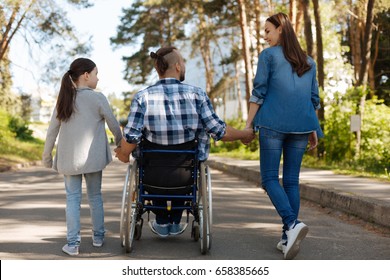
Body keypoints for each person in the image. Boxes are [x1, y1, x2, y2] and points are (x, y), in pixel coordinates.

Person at [115, 46, 255, 238]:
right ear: (178, 66)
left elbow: (131, 137)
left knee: (151, 172)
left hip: (152, 177)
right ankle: (173, 219)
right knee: (187, 175)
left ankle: (163, 220)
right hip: (185, 175)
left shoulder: (143, 97)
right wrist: (245, 134)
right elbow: (219, 130)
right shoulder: (197, 95)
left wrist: (123, 153)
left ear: (158, 70)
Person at [245, 13, 323, 260]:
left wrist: (248, 124)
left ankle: (292, 223)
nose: (265, 36)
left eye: (268, 30)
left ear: (281, 30)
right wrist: (313, 129)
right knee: (291, 181)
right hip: (302, 127)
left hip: (273, 125)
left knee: (269, 179)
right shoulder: (309, 61)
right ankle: (286, 238)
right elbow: (313, 100)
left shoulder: (268, 56)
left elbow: (259, 92)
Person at [42, 58, 122, 256]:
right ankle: (98, 237)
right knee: (95, 197)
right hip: (93, 160)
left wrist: (47, 157)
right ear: (86, 76)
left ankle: (73, 243)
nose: (98, 77)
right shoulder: (98, 98)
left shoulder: (64, 99)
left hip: (69, 161)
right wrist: (121, 144)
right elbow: (113, 124)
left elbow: (52, 130)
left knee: (72, 199)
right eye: (96, 73)